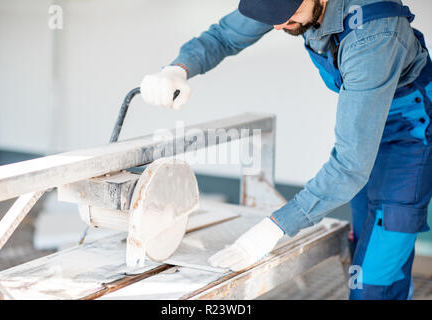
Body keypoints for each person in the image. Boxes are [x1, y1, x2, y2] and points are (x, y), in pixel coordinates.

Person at [139, 0, 432, 300]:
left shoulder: (372, 34)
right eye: (272, 16)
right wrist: (178, 68)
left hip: (410, 135)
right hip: (367, 125)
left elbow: (349, 166)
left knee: (375, 280)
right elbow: (224, 36)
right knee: (362, 246)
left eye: (286, 14)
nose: (278, 25)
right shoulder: (285, 6)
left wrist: (274, 228)